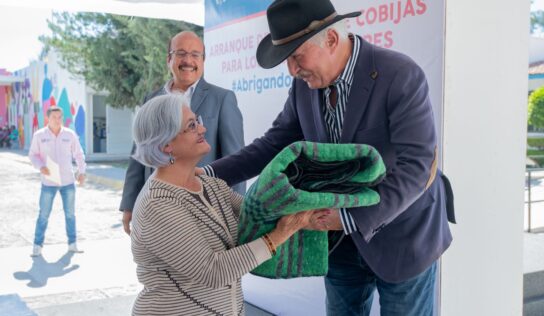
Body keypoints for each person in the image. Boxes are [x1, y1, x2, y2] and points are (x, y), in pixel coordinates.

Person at [199, 0, 453, 315]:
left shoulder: (400, 75)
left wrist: (349, 217)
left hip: (404, 235)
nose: (291, 70)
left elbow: (417, 165)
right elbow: (272, 145)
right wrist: (205, 176)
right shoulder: (303, 87)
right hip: (339, 241)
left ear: (331, 40)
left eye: (295, 56)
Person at [129, 94, 317, 316]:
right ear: (166, 144)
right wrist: (276, 237)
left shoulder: (208, 184)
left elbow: (255, 215)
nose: (202, 129)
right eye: (191, 125)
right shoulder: (157, 205)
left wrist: (311, 215)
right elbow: (213, 271)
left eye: (197, 120)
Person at [119, 31, 245, 235]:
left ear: (203, 61)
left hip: (203, 211)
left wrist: (234, 215)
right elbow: (138, 154)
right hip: (156, 207)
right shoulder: (150, 100)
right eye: (181, 53)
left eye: (196, 54)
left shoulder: (222, 99)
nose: (188, 61)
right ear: (169, 59)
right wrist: (129, 203)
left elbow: (236, 161)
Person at [28, 107, 86, 257]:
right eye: (54, 117)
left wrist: (82, 171)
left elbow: (79, 154)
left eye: (60, 117)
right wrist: (41, 166)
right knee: (43, 215)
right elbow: (33, 155)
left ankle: (72, 244)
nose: (57, 119)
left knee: (70, 214)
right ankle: (37, 245)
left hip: (68, 181)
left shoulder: (70, 134)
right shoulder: (39, 135)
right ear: (48, 118)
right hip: (48, 182)